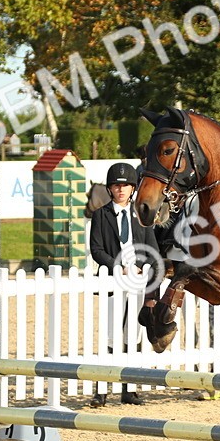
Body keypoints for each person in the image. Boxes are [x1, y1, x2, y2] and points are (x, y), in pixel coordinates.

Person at [88, 162, 160, 406]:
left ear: (133, 188)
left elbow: (153, 250)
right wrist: (118, 265)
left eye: (126, 186)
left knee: (133, 335)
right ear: (110, 189)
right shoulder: (101, 215)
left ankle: (129, 389)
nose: (121, 190)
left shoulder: (142, 215)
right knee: (110, 336)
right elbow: (96, 249)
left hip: (138, 282)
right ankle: (101, 390)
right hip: (113, 279)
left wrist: (143, 268)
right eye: (116, 186)